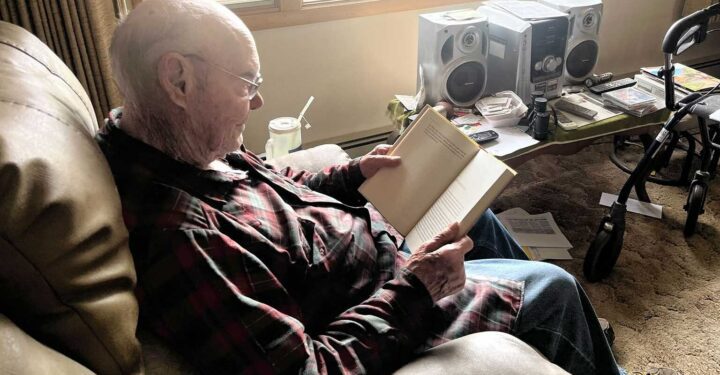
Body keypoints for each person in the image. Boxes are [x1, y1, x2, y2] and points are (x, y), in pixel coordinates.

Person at [97, 0, 624, 374]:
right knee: (554, 289)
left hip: (378, 257)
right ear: (178, 80)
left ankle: (569, 338)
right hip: (387, 309)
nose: (256, 103)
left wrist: (353, 174)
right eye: (247, 84)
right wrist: (415, 289)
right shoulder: (183, 238)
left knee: (476, 216)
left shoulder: (175, 138)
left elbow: (273, 185)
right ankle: (562, 330)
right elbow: (307, 369)